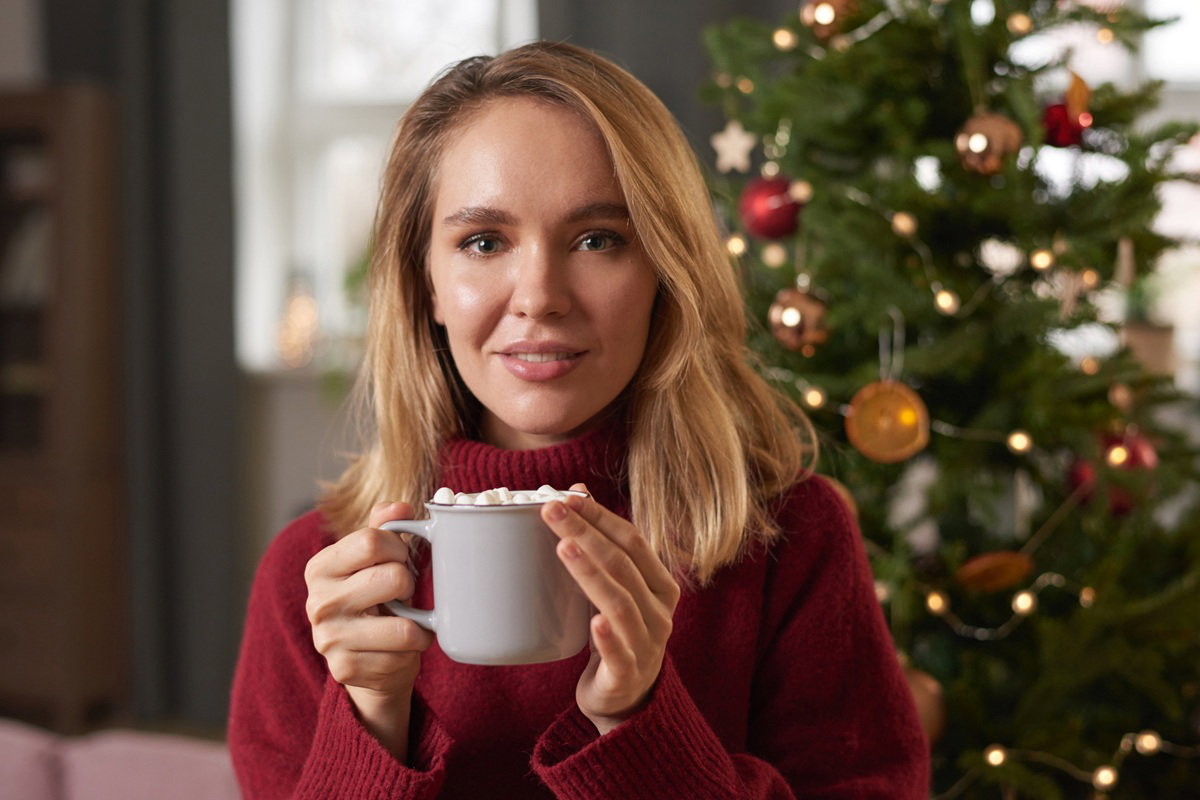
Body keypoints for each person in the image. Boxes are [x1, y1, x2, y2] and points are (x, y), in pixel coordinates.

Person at [228, 40, 929, 799]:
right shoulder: (322, 579)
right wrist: (369, 722)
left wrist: (635, 727)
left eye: (598, 239)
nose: (540, 295)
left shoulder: (789, 542)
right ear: (423, 282)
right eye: (483, 241)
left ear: (666, 271)